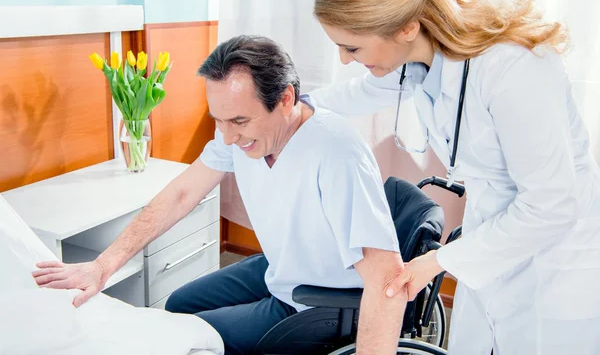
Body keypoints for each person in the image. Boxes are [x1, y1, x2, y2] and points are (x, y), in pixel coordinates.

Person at [32, 35, 409, 355]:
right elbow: (182, 193)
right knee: (179, 305)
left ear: (286, 99)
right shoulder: (241, 137)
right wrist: (102, 266)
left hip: (319, 301)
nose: (228, 138)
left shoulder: (336, 151)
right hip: (283, 269)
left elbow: (386, 278)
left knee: (192, 338)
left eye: (240, 121)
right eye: (220, 121)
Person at [307, 0, 600, 354]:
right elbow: (355, 95)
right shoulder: (419, 61)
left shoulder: (514, 69)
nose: (343, 59)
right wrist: (291, 105)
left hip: (556, 267)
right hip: (492, 248)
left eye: (351, 46)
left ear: (408, 26)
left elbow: (553, 204)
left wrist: (437, 262)